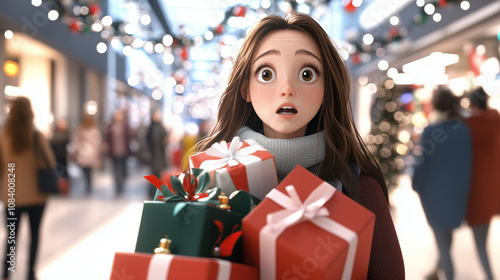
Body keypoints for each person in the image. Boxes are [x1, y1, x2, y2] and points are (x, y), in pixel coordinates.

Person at [196, 13, 405, 278]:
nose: (286, 89)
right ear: (244, 88)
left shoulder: (359, 188)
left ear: (326, 88)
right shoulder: (209, 179)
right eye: (266, 73)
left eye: (307, 73)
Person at [411, 87, 472, 280]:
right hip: (458, 194)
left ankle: (448, 275)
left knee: (443, 243)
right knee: (446, 237)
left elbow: (421, 165)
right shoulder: (463, 130)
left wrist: (416, 185)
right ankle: (436, 271)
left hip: (435, 195)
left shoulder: (431, 131)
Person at [0, 96, 52, 280]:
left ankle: (7, 272)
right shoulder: (36, 135)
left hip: (12, 193)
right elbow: (50, 161)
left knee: (12, 236)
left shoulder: (3, 135)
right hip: (37, 194)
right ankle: (30, 273)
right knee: (34, 234)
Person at [464, 86, 500, 280]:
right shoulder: (496, 120)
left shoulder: (470, 125)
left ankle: (491, 277)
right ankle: (437, 268)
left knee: (479, 243)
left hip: (475, 192)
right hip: (493, 188)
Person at [70, 113, 102, 194]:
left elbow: (77, 140)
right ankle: (88, 184)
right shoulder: (84, 128)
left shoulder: (90, 129)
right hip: (85, 151)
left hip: (86, 151)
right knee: (87, 169)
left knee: (86, 169)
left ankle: (88, 185)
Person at [104, 109, 132, 196]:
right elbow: (107, 137)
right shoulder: (110, 125)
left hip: (124, 151)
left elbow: (130, 136)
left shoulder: (125, 125)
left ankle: (121, 184)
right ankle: (118, 187)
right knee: (115, 170)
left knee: (122, 169)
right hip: (114, 152)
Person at [144, 110, 168, 198]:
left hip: (160, 155)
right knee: (154, 174)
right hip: (153, 155)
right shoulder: (150, 128)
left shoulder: (161, 127)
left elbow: (166, 138)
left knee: (160, 173)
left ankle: (159, 192)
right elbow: (147, 141)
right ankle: (152, 192)